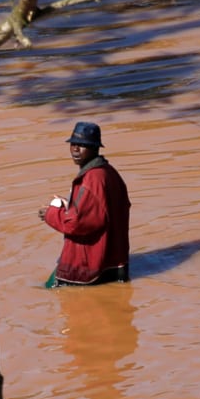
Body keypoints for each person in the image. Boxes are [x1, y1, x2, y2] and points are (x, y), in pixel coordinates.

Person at [38, 121, 131, 286]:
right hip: (112, 262)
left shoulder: (90, 180)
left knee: (48, 293)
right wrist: (70, 206)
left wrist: (51, 214)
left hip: (87, 268)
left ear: (95, 148)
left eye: (82, 145)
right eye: (73, 144)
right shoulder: (109, 172)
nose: (75, 149)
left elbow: (76, 223)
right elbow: (104, 211)